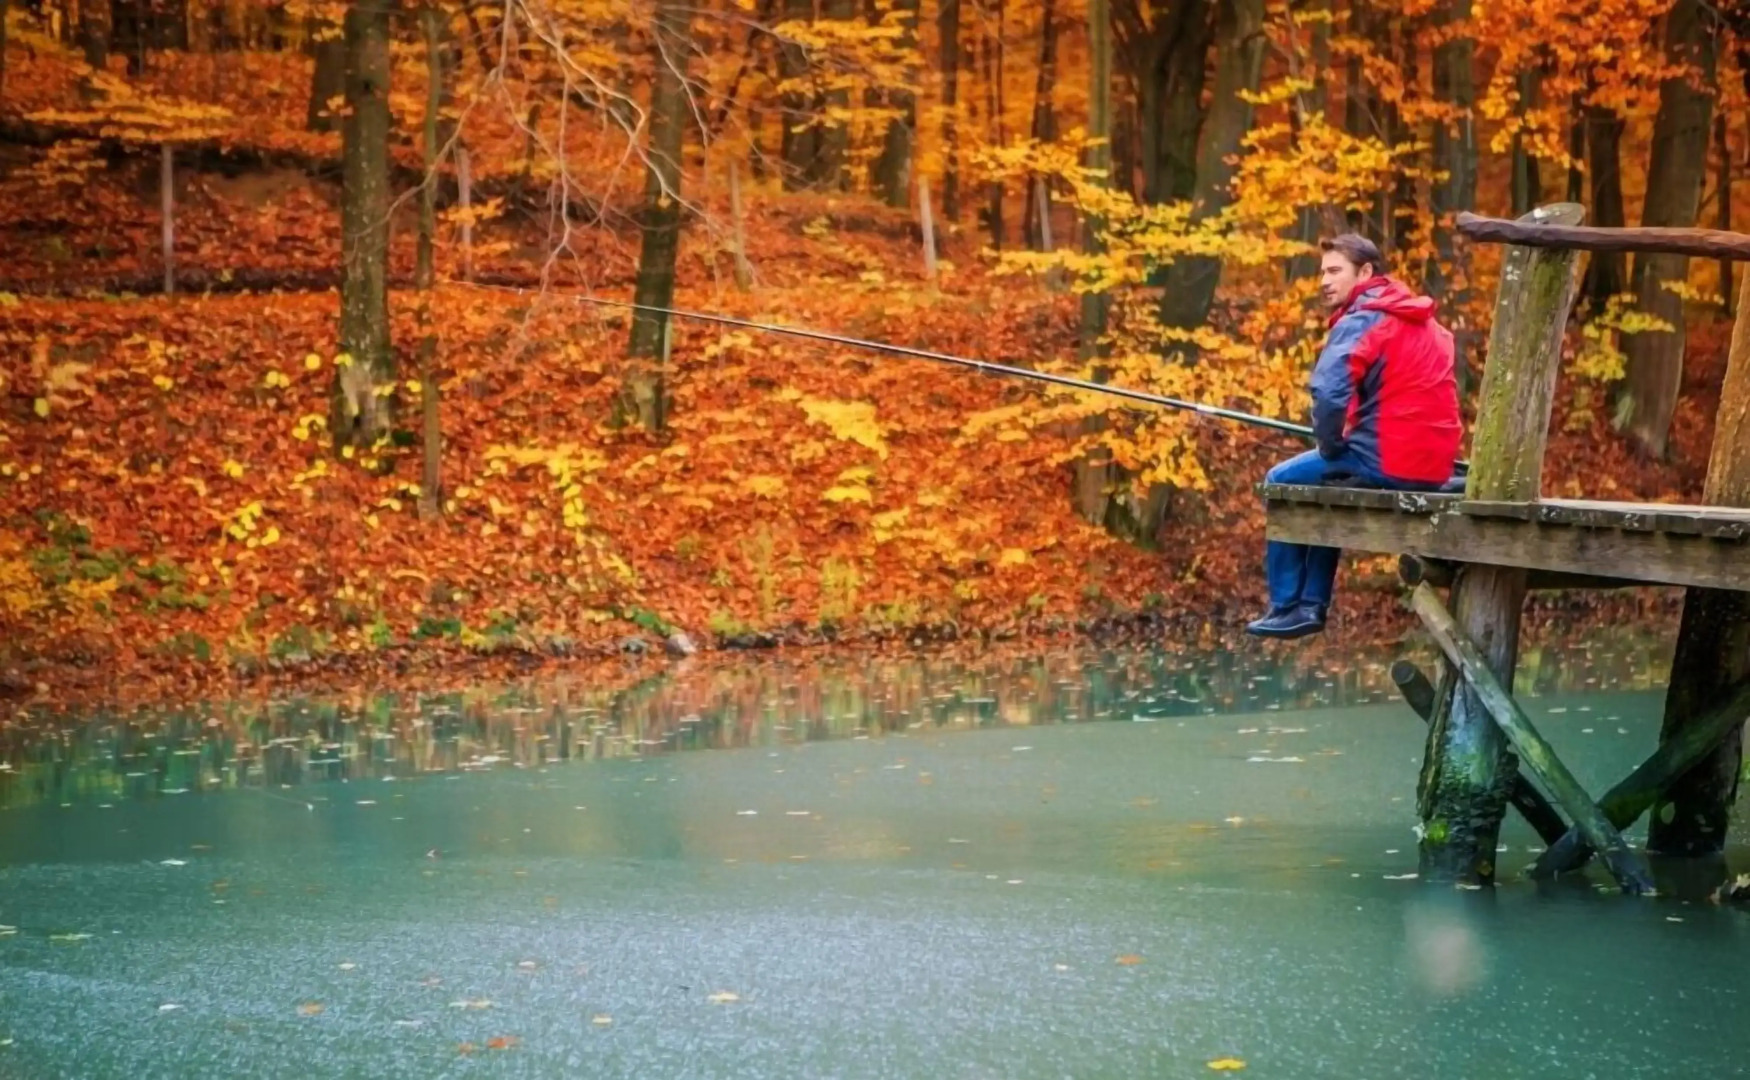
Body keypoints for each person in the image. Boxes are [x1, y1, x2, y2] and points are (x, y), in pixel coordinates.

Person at [1245, 234, 1463, 639]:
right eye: (1322, 272)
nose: (1323, 281)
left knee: (1280, 482)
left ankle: (1289, 604)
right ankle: (1309, 606)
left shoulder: (1364, 319)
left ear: (1365, 272)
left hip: (1385, 459)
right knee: (1327, 483)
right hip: (1433, 467)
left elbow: (1328, 393)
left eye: (1334, 271)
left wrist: (1329, 445)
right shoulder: (1429, 324)